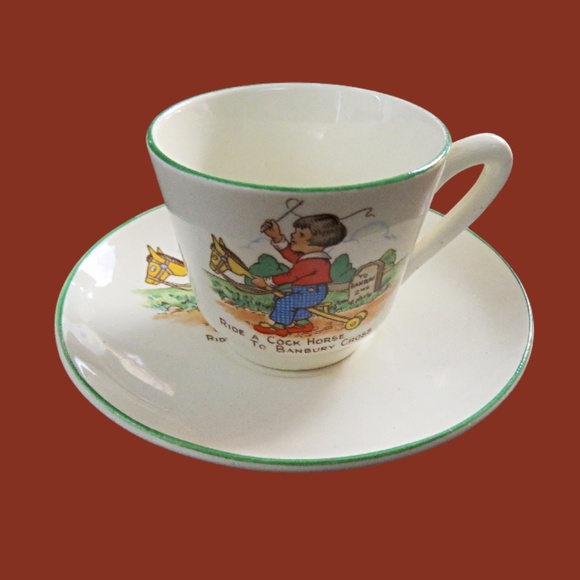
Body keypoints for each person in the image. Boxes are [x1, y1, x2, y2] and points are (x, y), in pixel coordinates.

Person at [253, 214, 347, 337]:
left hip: (311, 293)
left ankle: (279, 327)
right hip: (307, 291)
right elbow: (291, 255)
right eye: (296, 231)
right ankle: (303, 323)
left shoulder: (312, 262)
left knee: (285, 302)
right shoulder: (309, 258)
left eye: (301, 234)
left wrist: (266, 282)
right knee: (285, 299)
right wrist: (277, 237)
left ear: (317, 242)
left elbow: (290, 277)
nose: (293, 235)